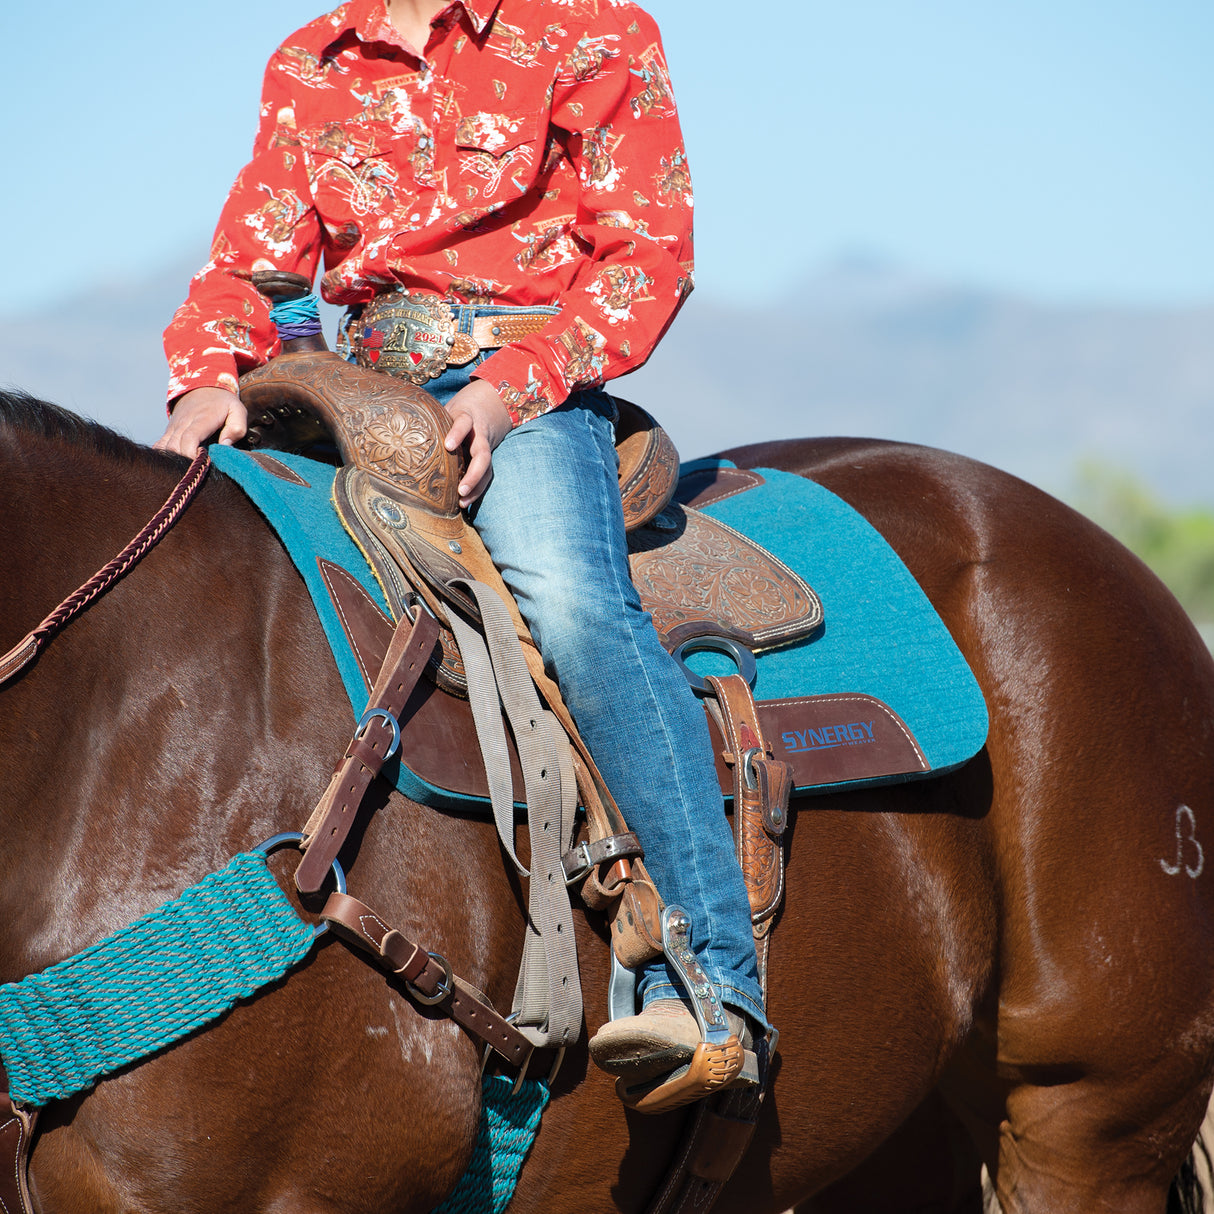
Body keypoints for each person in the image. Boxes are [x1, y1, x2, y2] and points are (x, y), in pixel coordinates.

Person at [156, 0, 767, 1101]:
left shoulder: (587, 27)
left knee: (575, 609)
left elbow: (644, 255)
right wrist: (206, 374)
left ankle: (710, 980)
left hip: (519, 383)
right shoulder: (311, 58)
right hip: (346, 389)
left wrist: (506, 391)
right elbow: (255, 268)